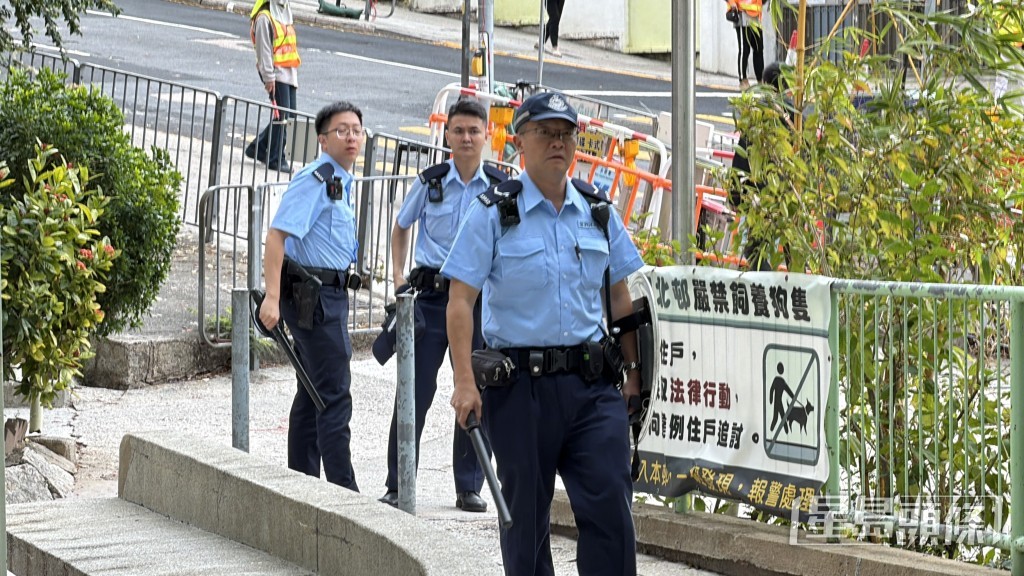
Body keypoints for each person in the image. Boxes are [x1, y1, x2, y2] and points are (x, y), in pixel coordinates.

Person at [442, 92, 644, 576]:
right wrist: (464, 381)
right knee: (526, 523)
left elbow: (622, 300)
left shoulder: (598, 212)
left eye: (566, 134)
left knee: (611, 513)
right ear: (519, 143)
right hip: (518, 391)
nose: (558, 143)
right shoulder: (494, 212)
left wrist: (634, 375)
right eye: (545, 133)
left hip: (592, 388)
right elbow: (460, 302)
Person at [377, 98, 507, 513]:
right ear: (447, 134)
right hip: (432, 298)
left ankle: (469, 486)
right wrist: (398, 279)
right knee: (414, 390)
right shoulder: (431, 181)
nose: (466, 138)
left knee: (474, 387)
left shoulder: (501, 187)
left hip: (478, 301)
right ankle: (399, 482)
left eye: (474, 131)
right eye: (459, 131)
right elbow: (400, 227)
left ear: (487, 135)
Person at [258, 101, 365, 491]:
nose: (351, 136)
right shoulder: (317, 179)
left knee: (311, 393)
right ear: (322, 139)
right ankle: (343, 492)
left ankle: (302, 484)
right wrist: (272, 297)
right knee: (334, 396)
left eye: (356, 129)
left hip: (327, 293)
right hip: (316, 299)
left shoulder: (341, 180)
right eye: (341, 130)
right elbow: (277, 235)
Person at [731, 60, 787, 270]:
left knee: (755, 247)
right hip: (790, 197)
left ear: (764, 84)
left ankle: (767, 291)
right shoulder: (797, 119)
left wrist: (735, 196)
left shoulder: (757, 118)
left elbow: (741, 160)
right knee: (792, 251)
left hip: (762, 198)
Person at [246, 0, 299, 173]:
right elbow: (264, 51)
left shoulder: (283, 13)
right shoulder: (264, 18)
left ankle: (259, 148)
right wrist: (269, 78)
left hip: (287, 73)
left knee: (288, 116)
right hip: (276, 74)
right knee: (282, 116)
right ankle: (276, 157)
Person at [728, 0, 764, 89]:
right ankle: (743, 80)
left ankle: (760, 80)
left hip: (756, 15)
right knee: (745, 49)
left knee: (759, 49)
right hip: (742, 13)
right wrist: (732, 3)